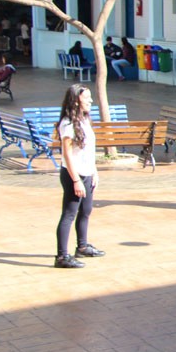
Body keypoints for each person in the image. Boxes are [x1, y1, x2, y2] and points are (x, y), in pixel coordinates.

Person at [54, 84, 104, 268]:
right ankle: (61, 257)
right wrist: (76, 180)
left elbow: (88, 150)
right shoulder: (67, 124)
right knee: (69, 214)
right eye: (86, 98)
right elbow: (67, 155)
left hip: (87, 173)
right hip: (73, 174)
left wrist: (94, 171)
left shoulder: (84, 120)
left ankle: (82, 246)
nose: (91, 101)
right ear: (76, 100)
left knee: (86, 210)